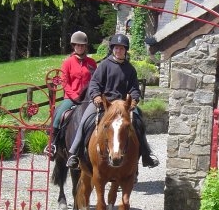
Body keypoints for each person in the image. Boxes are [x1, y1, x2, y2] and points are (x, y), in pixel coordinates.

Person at [66, 33, 159, 169]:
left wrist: (134, 100)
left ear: (125, 50)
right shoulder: (104, 65)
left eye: (121, 48)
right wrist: (96, 96)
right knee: (84, 121)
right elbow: (94, 84)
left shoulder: (130, 69)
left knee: (139, 122)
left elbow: (134, 88)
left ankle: (146, 155)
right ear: (112, 49)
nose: (118, 51)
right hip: (104, 103)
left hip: (123, 106)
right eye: (116, 48)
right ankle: (74, 153)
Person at [48, 31, 97, 156]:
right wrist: (74, 96)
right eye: (77, 45)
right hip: (71, 97)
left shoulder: (91, 63)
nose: (80, 47)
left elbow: (95, 81)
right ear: (73, 46)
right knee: (59, 115)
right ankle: (52, 144)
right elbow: (65, 83)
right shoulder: (67, 62)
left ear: (85, 47)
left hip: (89, 98)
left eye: (82, 45)